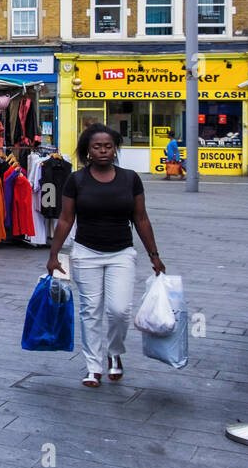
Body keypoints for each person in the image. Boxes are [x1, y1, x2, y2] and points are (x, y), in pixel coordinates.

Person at [46, 124, 165, 388]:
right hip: (86, 253)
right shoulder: (76, 180)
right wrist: (54, 255)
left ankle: (114, 353)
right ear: (87, 151)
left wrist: (154, 255)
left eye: (108, 146)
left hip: (122, 253)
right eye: (97, 146)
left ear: (115, 149)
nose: (103, 151)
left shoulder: (130, 178)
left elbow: (141, 218)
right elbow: (66, 219)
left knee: (119, 311)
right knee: (90, 311)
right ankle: (93, 366)